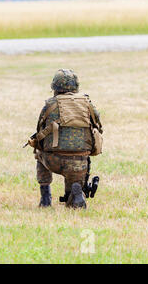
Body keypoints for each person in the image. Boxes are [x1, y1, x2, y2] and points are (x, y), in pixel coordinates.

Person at [30, 69, 103, 209]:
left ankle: (45, 198)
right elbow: (98, 127)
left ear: (55, 87)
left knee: (39, 154)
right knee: (75, 179)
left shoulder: (50, 104)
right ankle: (75, 192)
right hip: (79, 162)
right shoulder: (87, 103)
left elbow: (40, 130)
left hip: (53, 160)